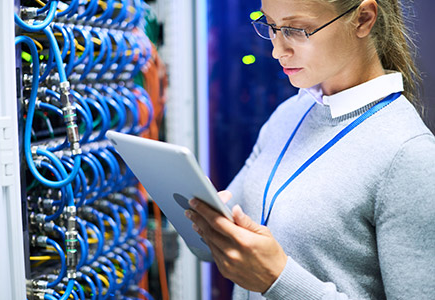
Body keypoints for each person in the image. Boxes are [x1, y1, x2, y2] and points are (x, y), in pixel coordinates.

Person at [184, 0, 435, 299]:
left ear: (363, 19)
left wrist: (278, 279)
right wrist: (208, 221)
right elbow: (211, 247)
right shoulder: (288, 114)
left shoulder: (410, 156)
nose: (277, 50)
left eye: (296, 29)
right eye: (271, 26)